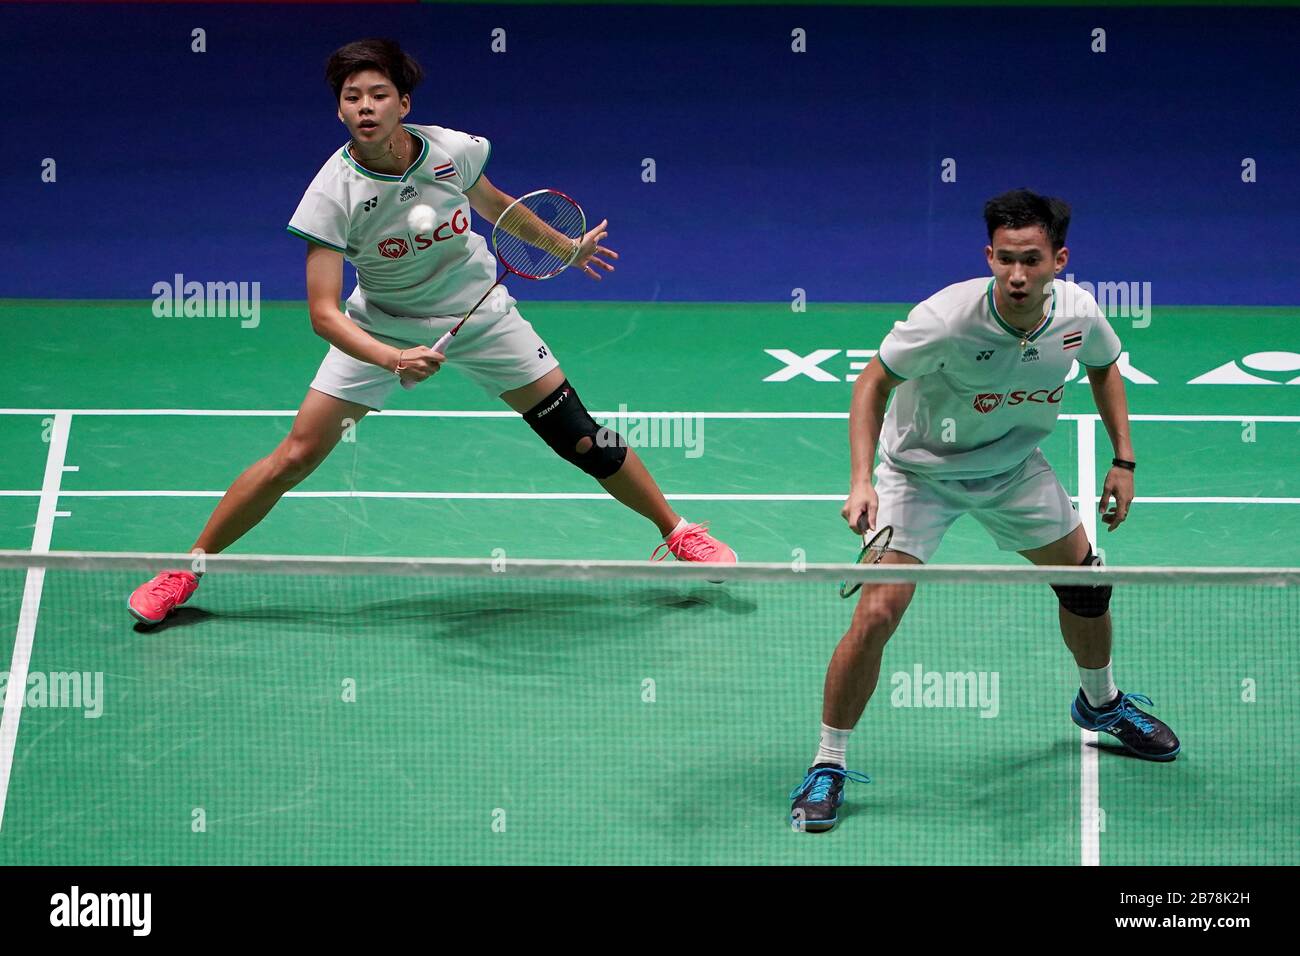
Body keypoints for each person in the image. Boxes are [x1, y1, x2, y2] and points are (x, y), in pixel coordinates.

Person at [128, 37, 734, 625]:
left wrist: (565, 249)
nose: (364, 107)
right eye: (351, 97)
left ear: (403, 104)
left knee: (578, 435)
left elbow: (497, 207)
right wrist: (392, 358)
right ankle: (186, 570)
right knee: (297, 455)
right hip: (379, 326)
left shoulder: (451, 151)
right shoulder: (331, 195)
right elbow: (324, 313)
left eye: (378, 94)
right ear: (339, 107)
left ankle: (678, 532)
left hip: (480, 313)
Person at [789, 189, 1180, 833]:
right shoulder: (944, 319)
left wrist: (1125, 460)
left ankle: (1101, 704)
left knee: (1086, 587)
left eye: (1032, 259)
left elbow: (1106, 367)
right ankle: (828, 762)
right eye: (1004, 259)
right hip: (921, 474)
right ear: (988, 256)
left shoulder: (1078, 314)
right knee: (879, 612)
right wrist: (862, 481)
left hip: (1013, 470)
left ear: (1060, 258)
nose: (1017, 275)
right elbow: (871, 382)